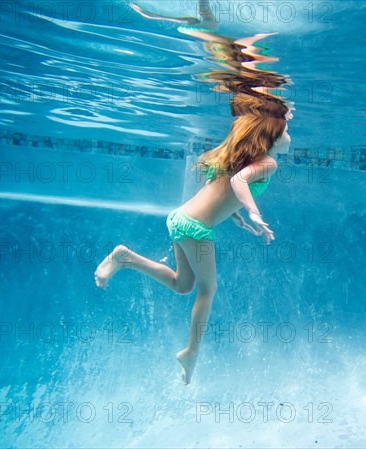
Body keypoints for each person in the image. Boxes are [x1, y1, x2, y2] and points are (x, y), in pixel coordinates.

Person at [95, 0, 293, 385]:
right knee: (207, 289)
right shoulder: (267, 163)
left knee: (183, 285)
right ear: (270, 135)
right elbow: (237, 186)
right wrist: (253, 213)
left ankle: (123, 257)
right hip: (194, 229)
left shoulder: (239, 155)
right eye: (286, 129)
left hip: (181, 219)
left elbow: (221, 192)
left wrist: (235, 215)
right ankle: (191, 353)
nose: (290, 135)